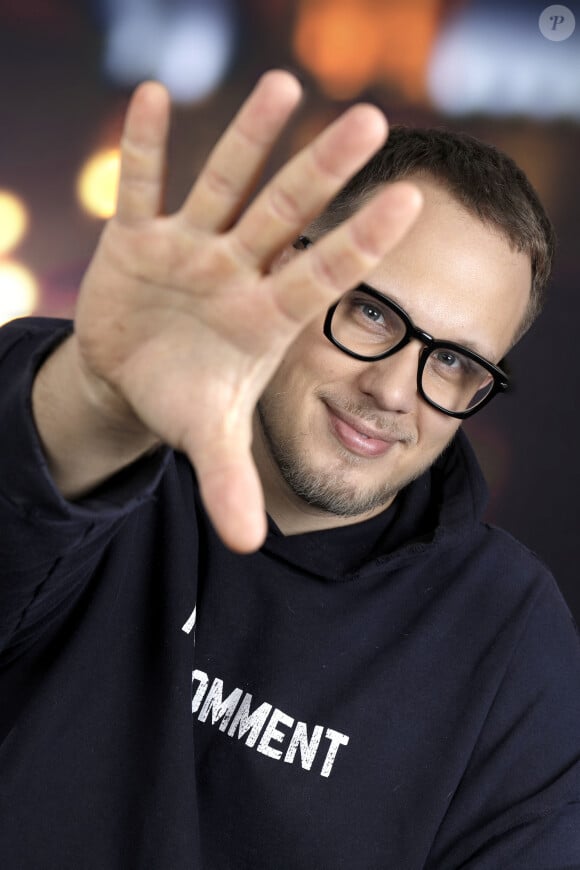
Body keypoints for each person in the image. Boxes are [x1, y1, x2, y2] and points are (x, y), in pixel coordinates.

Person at [0, 69, 579, 869]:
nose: (392, 390)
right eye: (370, 311)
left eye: (451, 362)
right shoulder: (85, 430)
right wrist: (95, 404)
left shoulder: (510, 640)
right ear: (283, 265)